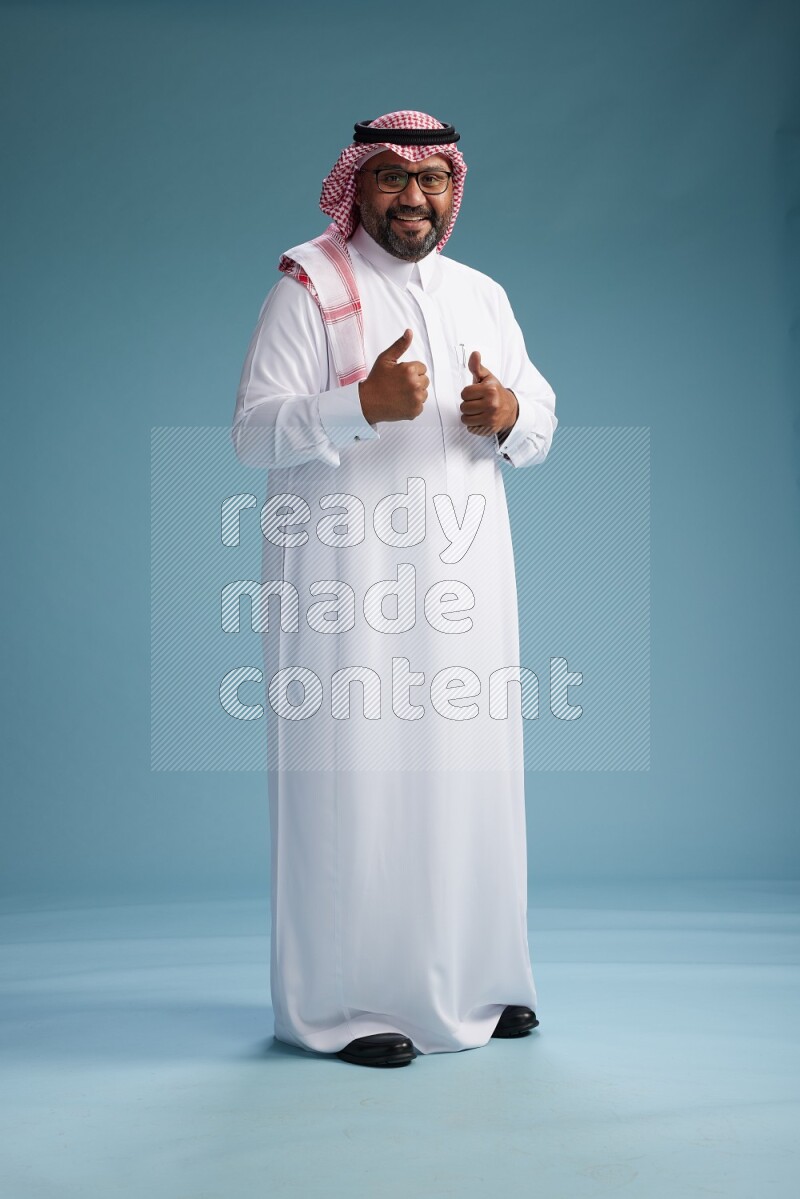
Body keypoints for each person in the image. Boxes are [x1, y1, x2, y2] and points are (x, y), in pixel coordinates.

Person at [230, 111, 558, 1068]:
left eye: (431, 180)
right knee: (357, 785)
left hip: (465, 581)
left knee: (470, 777)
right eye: (389, 177)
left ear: (453, 188)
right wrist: (356, 405)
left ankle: (480, 982)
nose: (412, 197)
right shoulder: (308, 286)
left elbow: (540, 416)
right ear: (357, 187)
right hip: (347, 585)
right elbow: (251, 433)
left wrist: (509, 413)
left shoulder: (482, 294)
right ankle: (340, 1006)